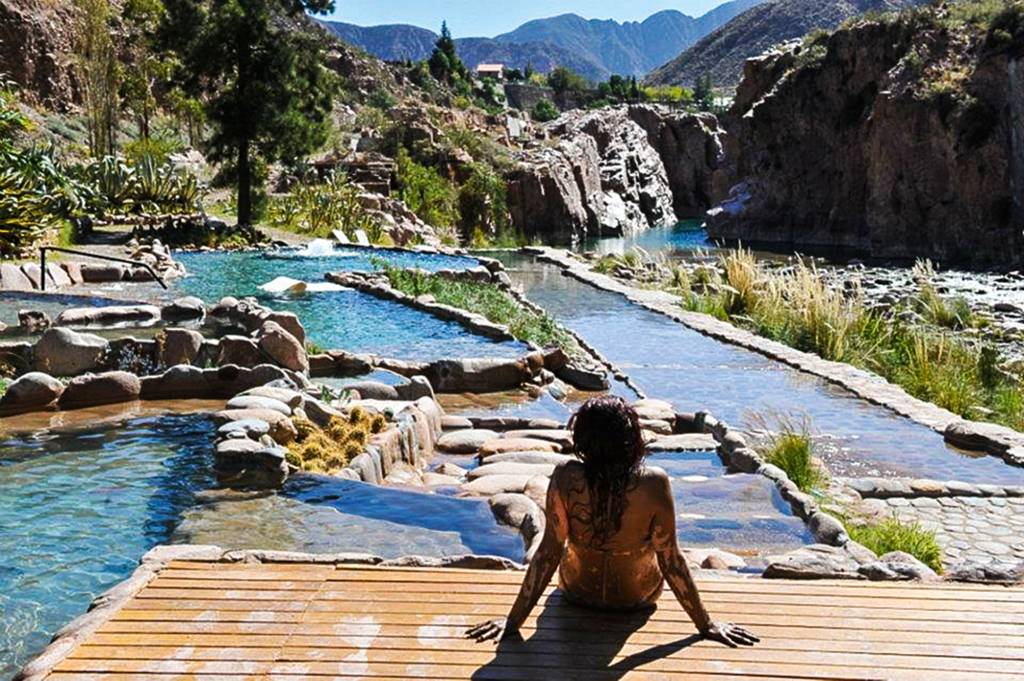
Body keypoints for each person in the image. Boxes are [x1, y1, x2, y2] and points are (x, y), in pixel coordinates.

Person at [466, 395, 759, 648]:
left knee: (566, 546)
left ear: (582, 439)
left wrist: (513, 621)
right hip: (636, 599)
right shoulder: (653, 482)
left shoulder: (566, 476)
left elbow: (548, 552)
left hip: (578, 593)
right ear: (631, 440)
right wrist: (705, 624)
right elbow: (671, 558)